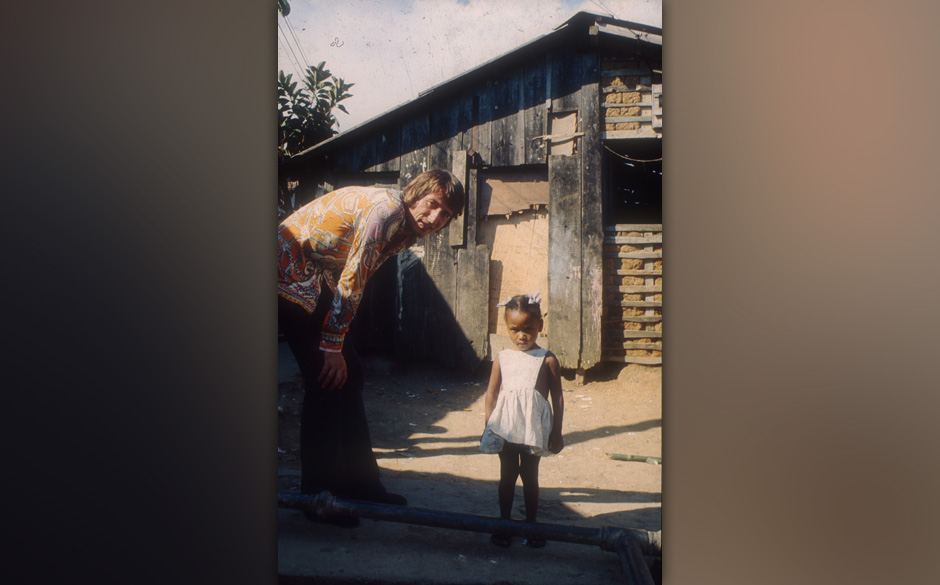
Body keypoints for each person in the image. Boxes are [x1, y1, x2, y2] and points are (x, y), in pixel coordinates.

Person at [278, 169, 464, 526]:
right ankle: (319, 497)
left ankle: (361, 485)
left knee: (351, 375)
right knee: (325, 380)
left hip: (314, 275)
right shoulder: (387, 212)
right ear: (416, 194)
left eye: (446, 215)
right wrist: (332, 346)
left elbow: (352, 271)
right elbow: (354, 279)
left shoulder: (405, 227)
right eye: (432, 205)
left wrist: (337, 342)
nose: (435, 218)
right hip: (286, 272)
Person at [480, 293, 565, 548]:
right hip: (505, 428)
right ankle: (504, 524)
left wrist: (557, 431)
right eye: (514, 329)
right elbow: (492, 394)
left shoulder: (547, 359)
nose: (522, 336)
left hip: (532, 429)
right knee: (507, 476)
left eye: (528, 329)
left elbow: (557, 397)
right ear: (506, 327)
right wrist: (489, 425)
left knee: (530, 477)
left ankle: (531, 525)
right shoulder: (502, 358)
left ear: (540, 325)